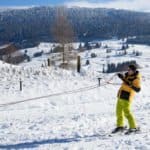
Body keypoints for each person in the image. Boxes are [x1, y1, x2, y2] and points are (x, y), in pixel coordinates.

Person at [112, 64, 141, 134]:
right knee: (118, 112)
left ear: (133, 71)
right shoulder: (127, 75)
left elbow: (138, 89)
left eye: (129, 70)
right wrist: (121, 77)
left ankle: (133, 127)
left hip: (127, 96)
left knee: (127, 113)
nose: (128, 71)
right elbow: (126, 81)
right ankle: (120, 126)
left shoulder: (136, 78)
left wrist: (129, 83)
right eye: (127, 69)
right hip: (121, 95)